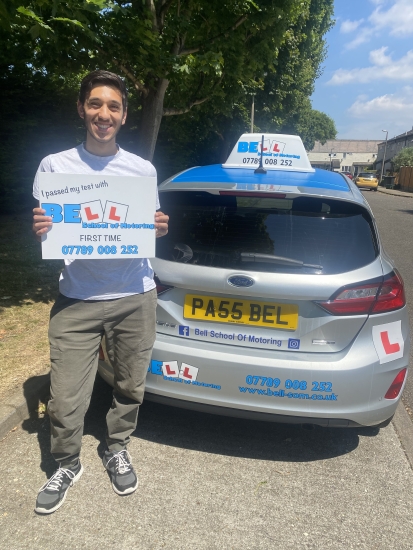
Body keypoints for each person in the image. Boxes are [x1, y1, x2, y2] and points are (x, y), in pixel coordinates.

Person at [31, 70, 169, 514]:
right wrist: (42, 230)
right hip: (77, 298)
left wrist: (158, 229)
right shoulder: (55, 166)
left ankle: (116, 446)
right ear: (81, 109)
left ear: (124, 115)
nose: (103, 114)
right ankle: (67, 462)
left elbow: (147, 227)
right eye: (95, 104)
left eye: (113, 106)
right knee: (66, 396)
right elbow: (49, 231)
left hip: (134, 295)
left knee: (131, 384)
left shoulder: (141, 170)